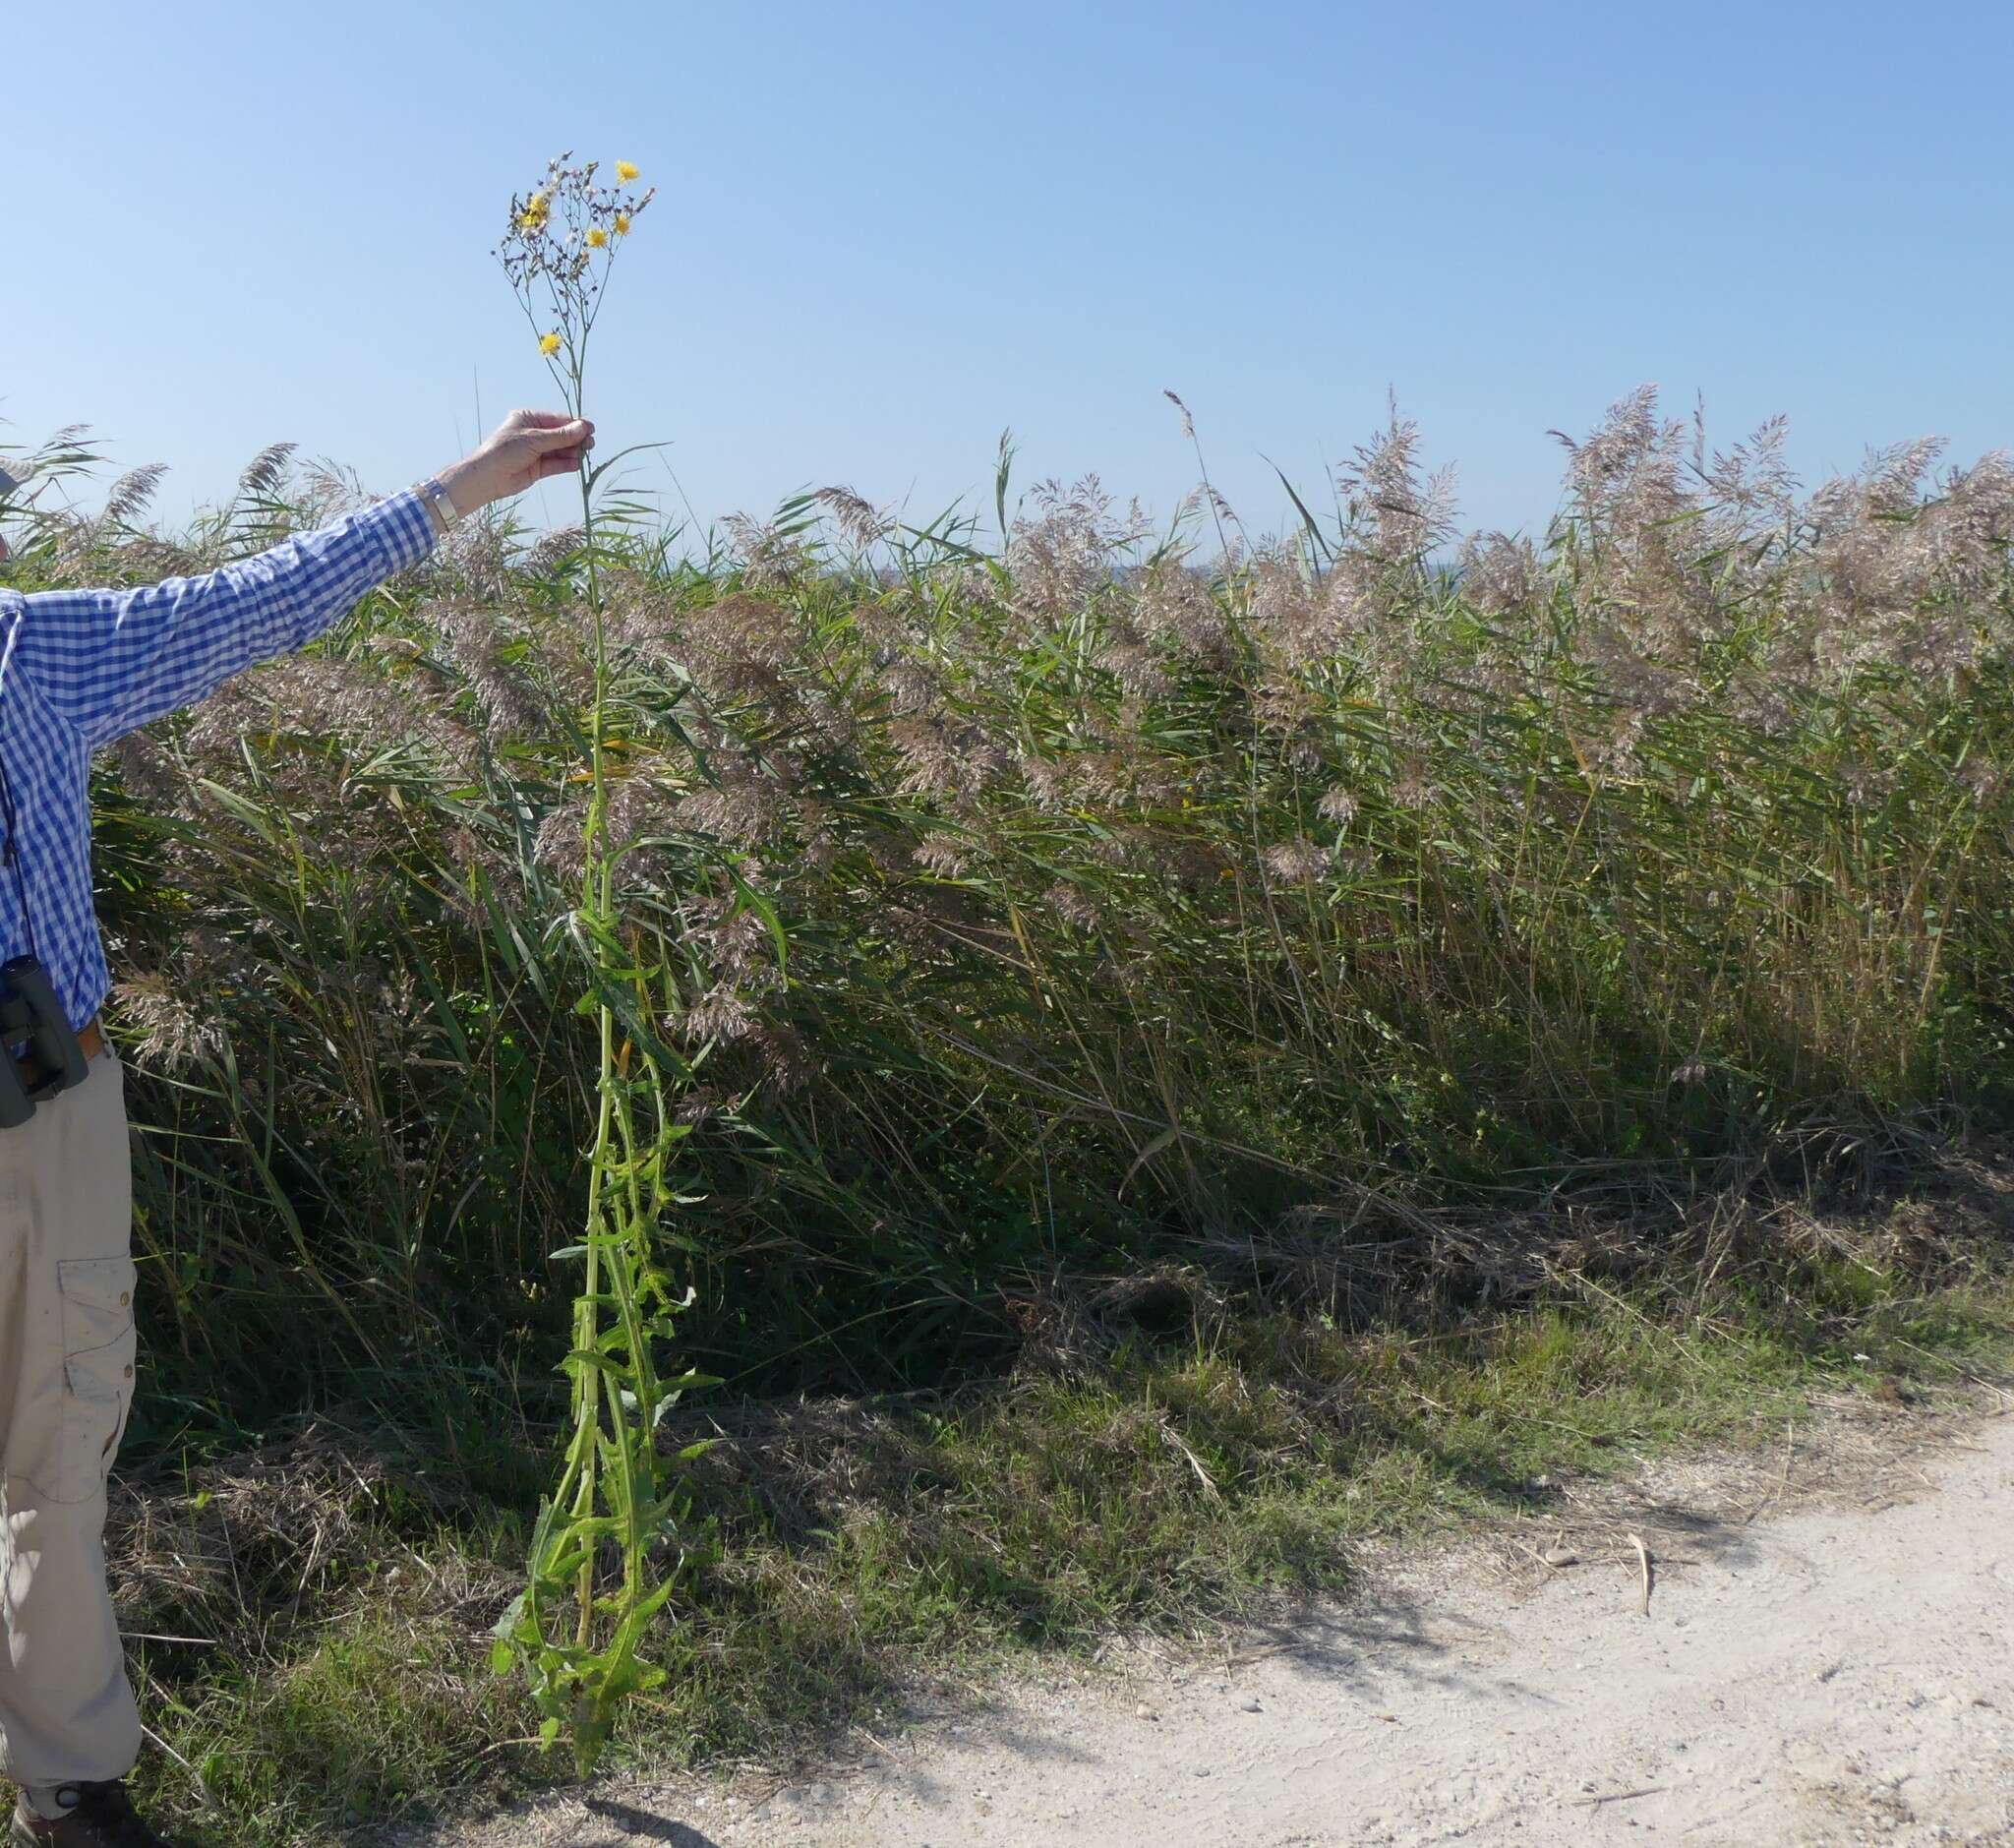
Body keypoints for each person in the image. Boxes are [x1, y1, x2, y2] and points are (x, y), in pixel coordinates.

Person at [0, 409, 593, 1848]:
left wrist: (457, 493)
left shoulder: (32, 655)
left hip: (44, 1113)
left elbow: (246, 604)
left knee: (55, 1451)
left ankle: (74, 1783)